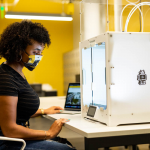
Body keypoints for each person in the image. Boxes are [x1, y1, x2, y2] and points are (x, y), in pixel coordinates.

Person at [0, 20, 76, 150]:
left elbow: (15, 109)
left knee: (65, 143)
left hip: (14, 138)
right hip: (9, 143)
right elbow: (10, 130)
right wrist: (48, 133)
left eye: (40, 52)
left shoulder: (15, 73)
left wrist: (43, 111)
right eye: (35, 52)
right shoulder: (6, 78)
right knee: (67, 149)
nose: (39, 57)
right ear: (18, 50)